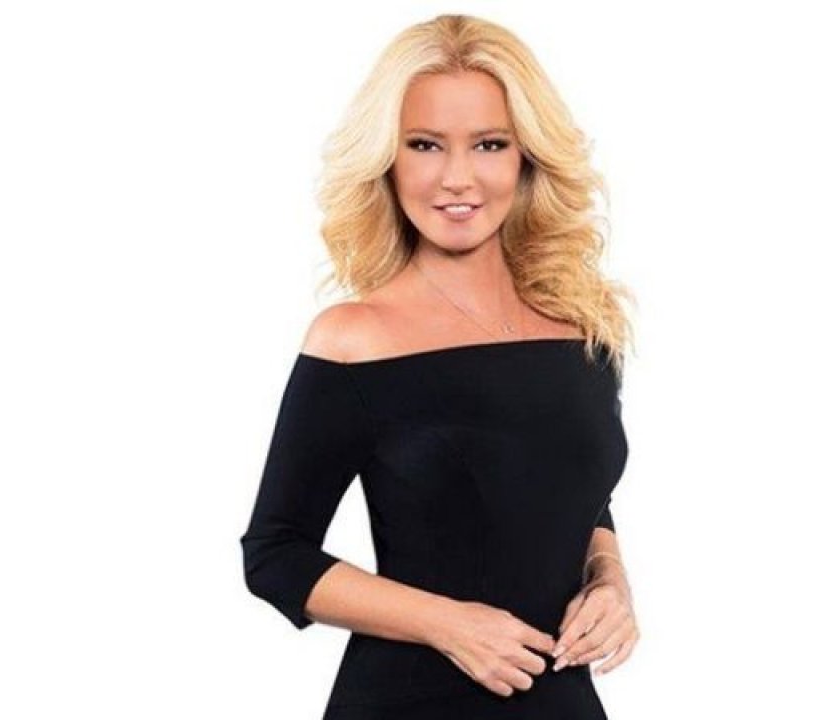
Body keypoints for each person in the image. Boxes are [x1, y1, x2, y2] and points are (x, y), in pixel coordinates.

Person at [239, 13, 639, 719]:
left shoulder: (582, 327)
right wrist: (448, 625)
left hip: (561, 701)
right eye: (424, 145)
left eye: (489, 144)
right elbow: (276, 553)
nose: (457, 177)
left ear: (527, 157)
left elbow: (570, 493)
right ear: (387, 160)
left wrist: (610, 580)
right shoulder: (355, 339)